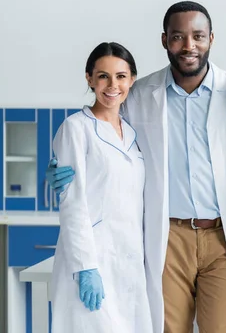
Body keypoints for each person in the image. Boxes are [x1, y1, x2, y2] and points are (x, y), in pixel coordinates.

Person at [47, 1, 226, 333]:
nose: (188, 46)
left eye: (198, 36)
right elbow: (104, 132)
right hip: (168, 236)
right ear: (164, 40)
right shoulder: (140, 93)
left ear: (211, 39)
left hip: (222, 238)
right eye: (178, 36)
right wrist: (61, 167)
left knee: (224, 328)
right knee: (170, 328)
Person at [50, 42, 152, 332]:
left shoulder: (132, 133)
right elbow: (72, 203)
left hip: (130, 263)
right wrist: (86, 267)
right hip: (91, 260)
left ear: (132, 79)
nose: (112, 85)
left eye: (120, 76)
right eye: (103, 76)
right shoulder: (76, 128)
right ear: (89, 79)